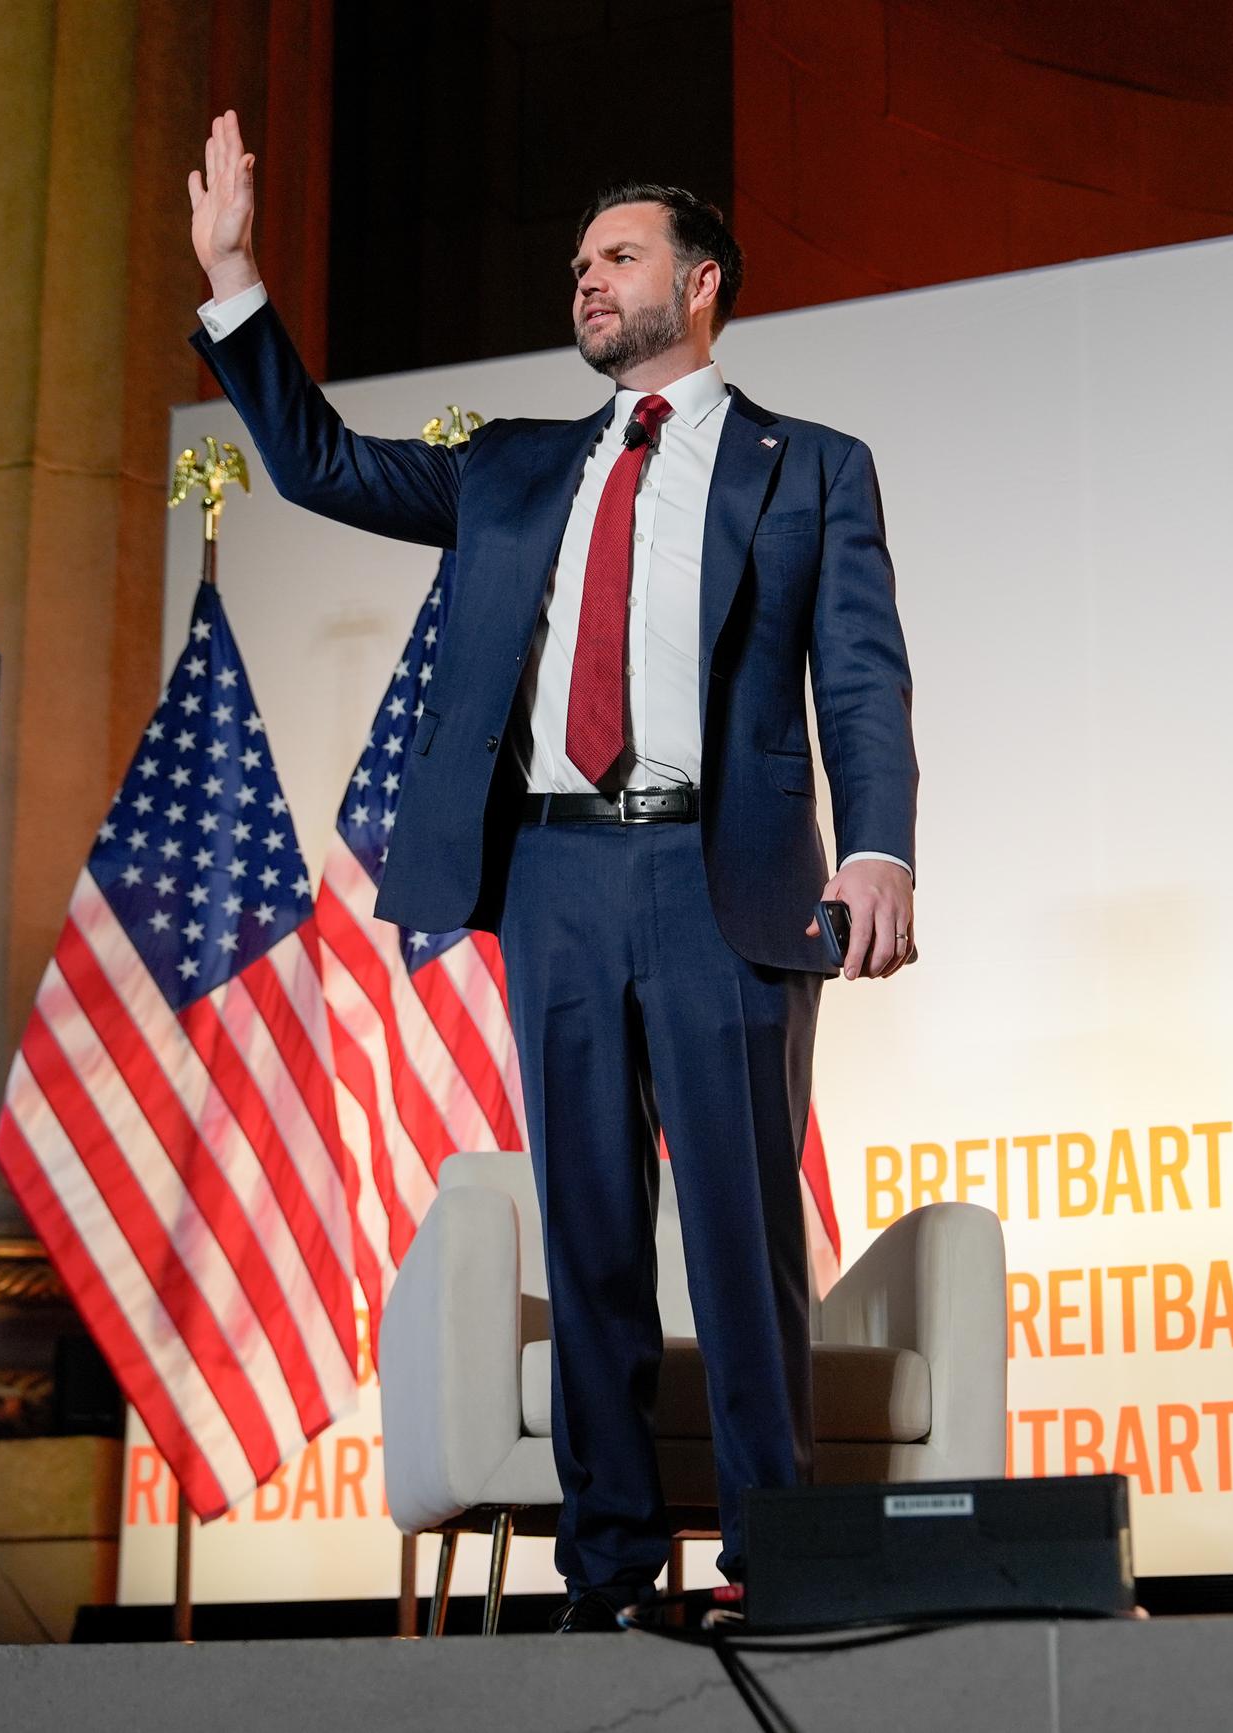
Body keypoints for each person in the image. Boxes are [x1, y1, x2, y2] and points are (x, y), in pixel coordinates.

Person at [185, 113, 918, 1631]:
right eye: (578, 263)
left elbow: (859, 675)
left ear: (701, 282)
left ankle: (774, 1561)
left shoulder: (812, 469)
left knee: (739, 1234)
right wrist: (238, 281)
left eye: (620, 257)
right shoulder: (515, 469)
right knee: (585, 1231)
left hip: (731, 884)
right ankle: (608, 1568)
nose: (586, 280)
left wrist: (879, 843)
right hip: (558, 884)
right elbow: (320, 463)